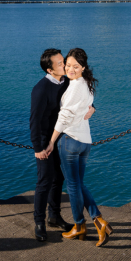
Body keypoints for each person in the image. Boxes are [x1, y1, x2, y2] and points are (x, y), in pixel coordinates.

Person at [45, 47, 112, 247]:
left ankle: (82, 225)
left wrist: (51, 141)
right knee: (79, 184)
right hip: (85, 142)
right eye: (68, 65)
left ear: (83, 67)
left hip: (70, 142)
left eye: (75, 66)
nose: (70, 69)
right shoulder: (87, 84)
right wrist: (92, 109)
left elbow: (64, 117)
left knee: (73, 186)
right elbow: (89, 104)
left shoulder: (73, 87)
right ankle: (95, 222)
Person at [29, 48, 94, 242]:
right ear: (50, 70)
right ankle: (39, 222)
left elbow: (82, 97)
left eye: (63, 61)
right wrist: (38, 148)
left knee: (59, 180)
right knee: (44, 181)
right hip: (45, 142)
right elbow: (34, 121)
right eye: (60, 63)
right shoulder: (40, 89)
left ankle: (54, 217)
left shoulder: (68, 81)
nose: (65, 65)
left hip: (62, 140)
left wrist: (92, 108)